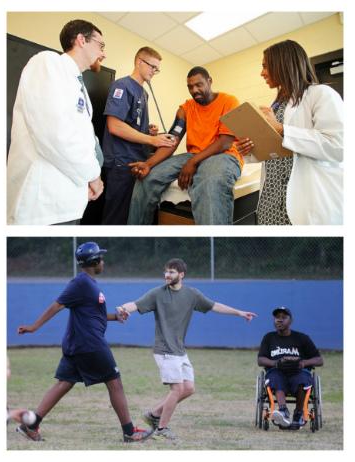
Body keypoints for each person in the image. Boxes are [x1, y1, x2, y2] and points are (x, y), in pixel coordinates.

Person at [16, 242, 152, 443]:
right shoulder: (80, 283)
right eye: (101, 258)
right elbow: (57, 305)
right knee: (115, 382)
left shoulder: (88, 284)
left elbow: (93, 314)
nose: (103, 261)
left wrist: (116, 317)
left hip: (78, 344)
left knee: (64, 383)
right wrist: (34, 327)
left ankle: (31, 424)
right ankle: (130, 432)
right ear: (94, 261)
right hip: (89, 344)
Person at [116, 258, 257, 439]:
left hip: (179, 350)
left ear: (181, 275)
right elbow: (134, 304)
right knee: (177, 389)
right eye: (166, 271)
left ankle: (153, 415)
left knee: (189, 388)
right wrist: (122, 308)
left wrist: (239, 312)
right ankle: (162, 428)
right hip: (164, 349)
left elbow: (215, 306)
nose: (167, 275)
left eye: (172, 272)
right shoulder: (157, 294)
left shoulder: (192, 294)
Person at [7, 19, 106, 225]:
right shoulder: (48, 63)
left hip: (70, 201)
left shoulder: (79, 87)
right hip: (43, 205)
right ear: (81, 40)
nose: (103, 53)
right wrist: (93, 175)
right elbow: (56, 134)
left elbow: (83, 139)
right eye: (100, 45)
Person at [236, 40, 343, 225]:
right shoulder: (275, 105)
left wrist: (281, 129)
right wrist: (250, 149)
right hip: (270, 200)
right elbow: (275, 152)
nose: (262, 73)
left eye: (265, 66)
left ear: (282, 63)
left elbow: (338, 146)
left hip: (305, 202)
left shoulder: (321, 94)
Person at [127, 66, 244, 225]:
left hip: (223, 155)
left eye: (199, 85)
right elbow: (172, 141)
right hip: (193, 155)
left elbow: (225, 142)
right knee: (147, 178)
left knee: (209, 182)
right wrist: (148, 164)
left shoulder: (229, 101)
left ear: (209, 81)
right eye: (190, 87)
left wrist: (193, 162)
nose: (194, 90)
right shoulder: (186, 108)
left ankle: (214, 246)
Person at [101, 46, 175, 225]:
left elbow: (130, 123)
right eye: (152, 66)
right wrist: (152, 139)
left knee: (130, 216)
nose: (155, 72)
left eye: (157, 69)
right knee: (116, 218)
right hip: (121, 162)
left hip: (138, 163)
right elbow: (115, 125)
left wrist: (147, 131)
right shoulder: (122, 86)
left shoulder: (144, 93)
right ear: (139, 62)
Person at [257, 306, 323, 429]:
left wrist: (303, 363)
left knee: (303, 379)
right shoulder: (269, 337)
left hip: (298, 371)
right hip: (277, 370)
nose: (279, 320)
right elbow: (260, 360)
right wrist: (276, 363)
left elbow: (319, 360)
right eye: (277, 317)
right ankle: (283, 412)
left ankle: (298, 414)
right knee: (275, 377)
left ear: (290, 320)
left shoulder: (302, 338)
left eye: (284, 317)